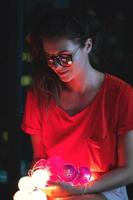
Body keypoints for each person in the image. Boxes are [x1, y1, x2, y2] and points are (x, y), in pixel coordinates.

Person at [21, 8, 133, 200]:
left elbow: (128, 171)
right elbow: (38, 158)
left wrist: (79, 191)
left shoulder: (120, 95)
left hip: (104, 188)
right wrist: (41, 180)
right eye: (50, 58)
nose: (57, 66)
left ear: (88, 45)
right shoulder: (40, 95)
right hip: (55, 187)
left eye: (65, 56)